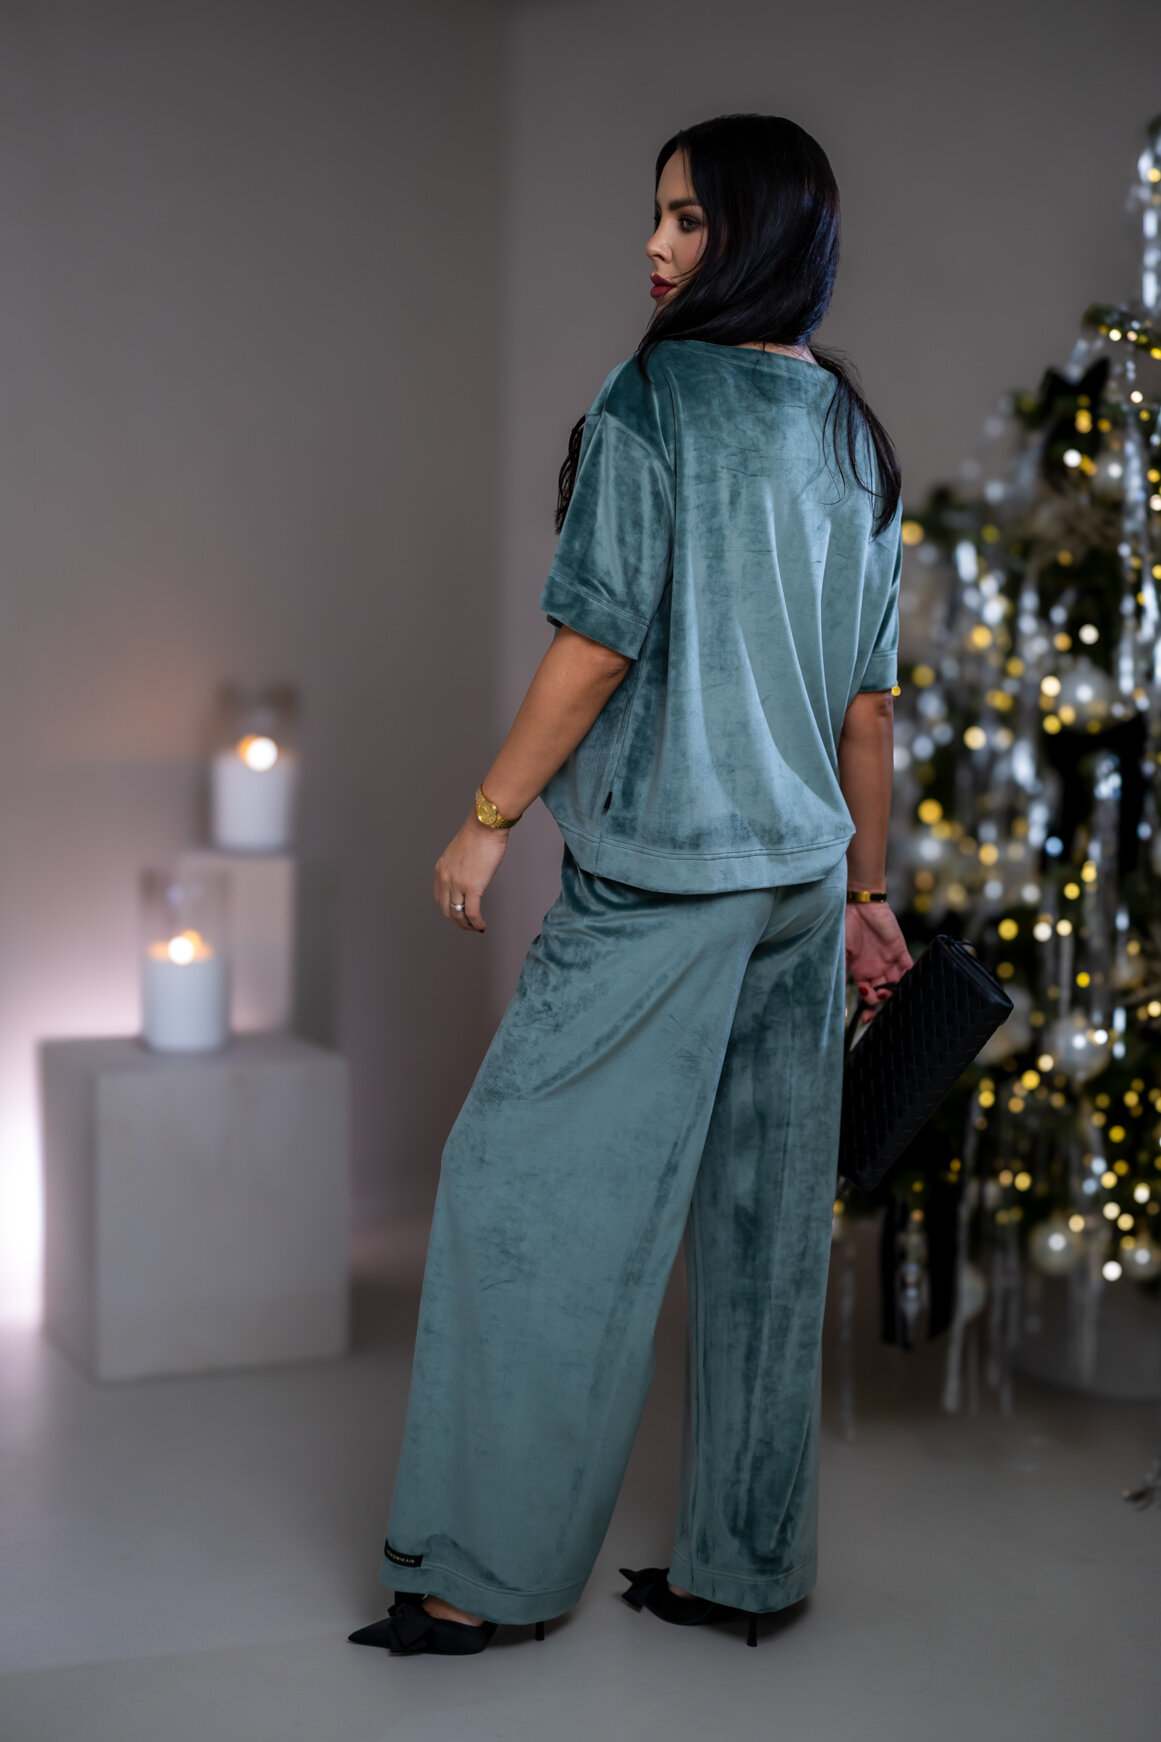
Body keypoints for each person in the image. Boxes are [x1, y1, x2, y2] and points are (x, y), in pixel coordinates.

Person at [349, 112, 913, 1658]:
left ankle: (479, 1574)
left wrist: (487, 817)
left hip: (666, 875)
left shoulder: (654, 396)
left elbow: (596, 643)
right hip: (802, 883)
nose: (656, 247)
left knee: (520, 1192)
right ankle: (745, 1570)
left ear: (759, 232)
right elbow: (868, 710)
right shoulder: (852, 435)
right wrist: (868, 892)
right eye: (656, 216)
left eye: (687, 218)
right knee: (763, 1234)